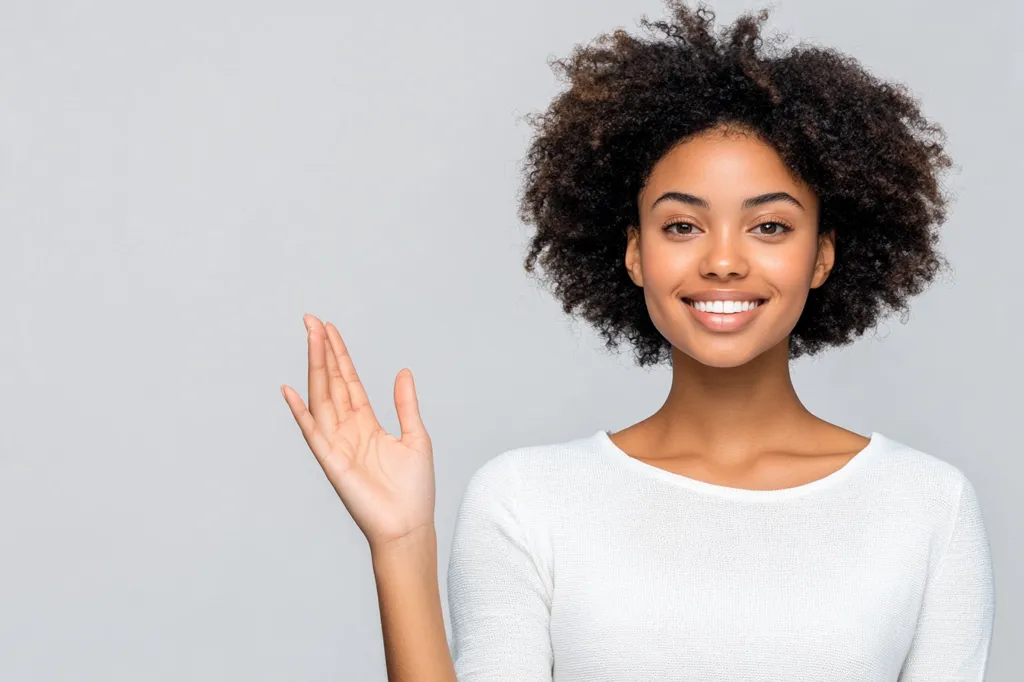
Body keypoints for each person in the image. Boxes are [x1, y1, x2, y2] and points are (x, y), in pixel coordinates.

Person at [280, 2, 995, 680]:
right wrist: (401, 545)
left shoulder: (927, 506)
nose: (722, 260)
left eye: (769, 226)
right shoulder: (527, 499)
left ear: (822, 255)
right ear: (633, 253)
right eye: (682, 225)